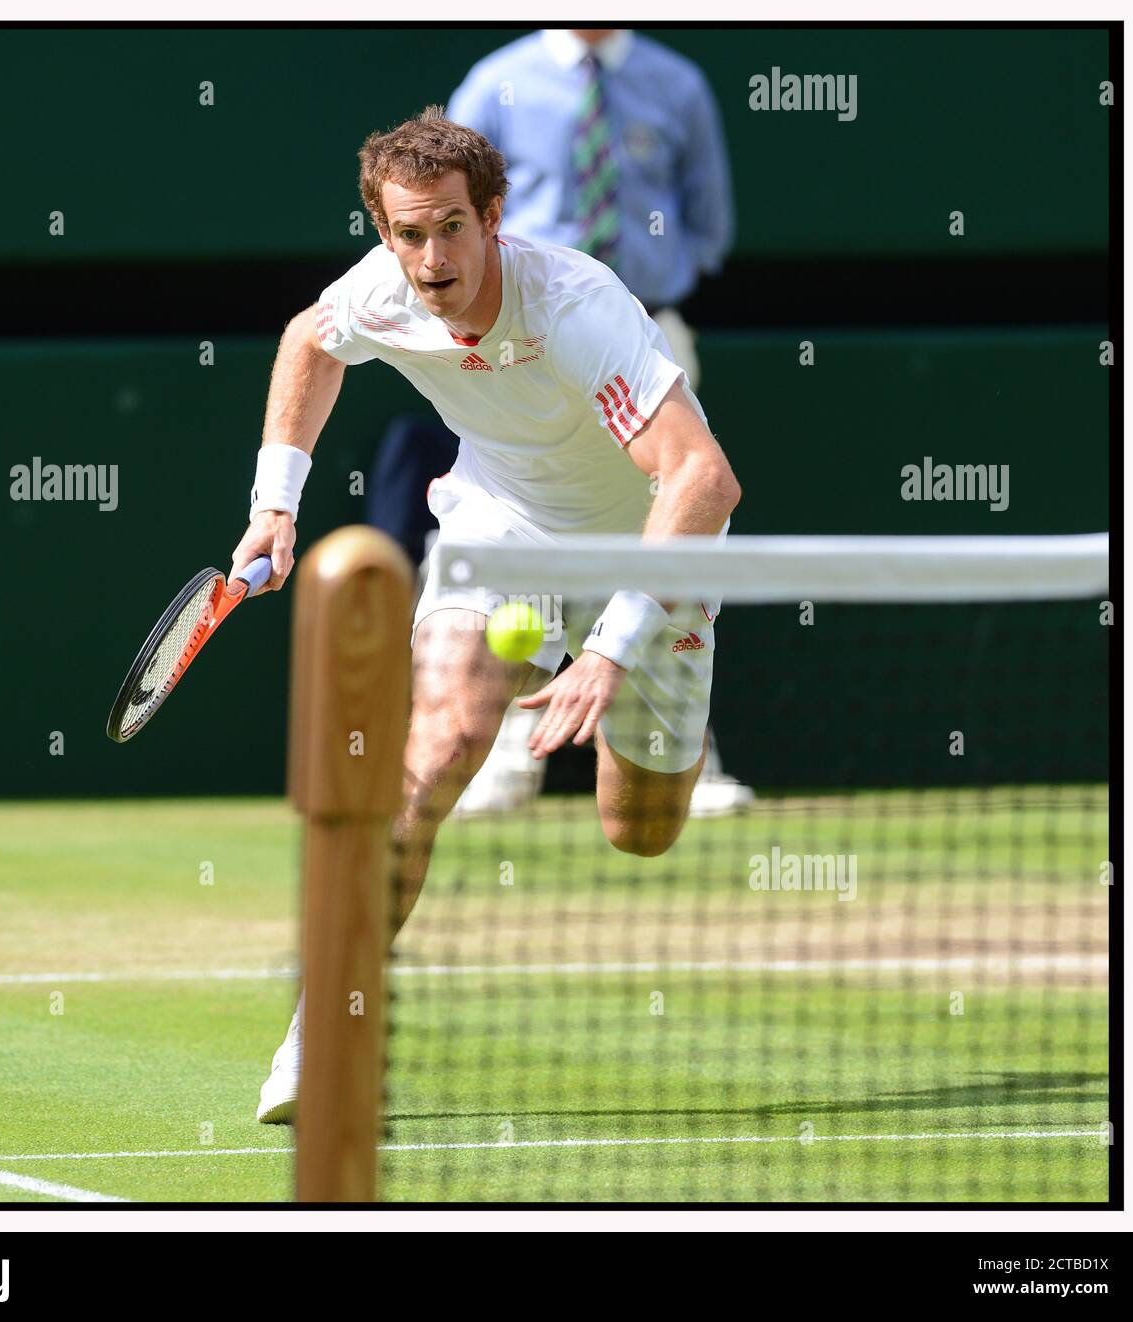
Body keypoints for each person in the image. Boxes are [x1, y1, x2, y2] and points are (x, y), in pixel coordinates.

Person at [233, 107, 741, 1124]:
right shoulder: (384, 289)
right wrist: (273, 501)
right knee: (431, 755)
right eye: (407, 234)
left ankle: (630, 709)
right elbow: (309, 342)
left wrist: (608, 649)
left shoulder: (572, 307)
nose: (430, 259)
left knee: (637, 829)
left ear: (493, 215)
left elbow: (702, 479)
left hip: (645, 542)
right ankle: (325, 1027)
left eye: (451, 229)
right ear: (383, 232)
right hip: (499, 526)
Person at [367, 28, 749, 817]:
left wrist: (620, 303)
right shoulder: (495, 80)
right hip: (514, 337)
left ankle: (683, 747)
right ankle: (509, 755)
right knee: (519, 527)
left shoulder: (674, 84)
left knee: (668, 498)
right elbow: (443, 203)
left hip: (636, 329)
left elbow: (709, 219)